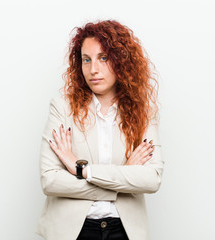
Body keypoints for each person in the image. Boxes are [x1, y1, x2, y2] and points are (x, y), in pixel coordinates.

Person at [36, 20, 164, 240]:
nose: (93, 69)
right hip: (72, 232)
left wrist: (82, 170)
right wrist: (122, 178)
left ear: (122, 61)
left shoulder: (143, 111)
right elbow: (50, 180)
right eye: (86, 60)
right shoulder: (62, 107)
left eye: (103, 58)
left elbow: (151, 179)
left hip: (124, 231)